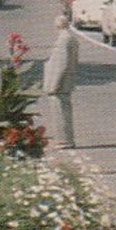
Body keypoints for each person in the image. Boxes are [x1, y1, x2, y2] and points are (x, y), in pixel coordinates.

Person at [41, 15, 80, 149]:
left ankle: (64, 140)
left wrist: (54, 83)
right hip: (66, 80)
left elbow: (62, 64)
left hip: (61, 82)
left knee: (60, 112)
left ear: (58, 26)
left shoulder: (64, 39)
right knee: (64, 110)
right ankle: (66, 139)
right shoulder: (71, 38)